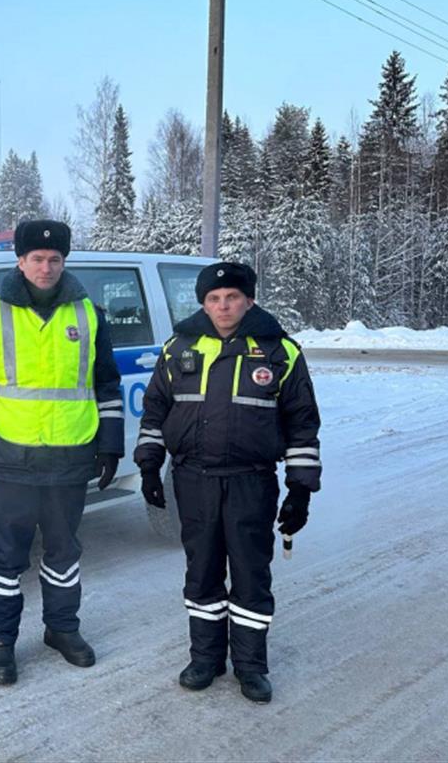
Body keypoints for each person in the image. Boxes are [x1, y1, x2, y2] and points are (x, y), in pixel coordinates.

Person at [133, 262, 321, 704]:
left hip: (250, 483)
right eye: (214, 299)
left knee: (251, 575)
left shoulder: (280, 353)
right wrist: (147, 465)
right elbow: (155, 413)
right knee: (201, 572)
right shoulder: (177, 348)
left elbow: (302, 425)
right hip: (192, 480)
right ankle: (206, 658)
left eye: (232, 297)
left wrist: (300, 489)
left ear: (249, 300)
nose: (223, 306)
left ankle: (251, 667)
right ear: (203, 303)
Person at [0, 219, 124, 686]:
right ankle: (1, 644)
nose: (46, 267)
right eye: (37, 259)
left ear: (64, 261)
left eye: (55, 259)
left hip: (70, 459)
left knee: (65, 553)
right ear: (20, 261)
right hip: (11, 459)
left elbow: (107, 383)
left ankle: (62, 630)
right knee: (6, 560)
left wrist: (110, 444)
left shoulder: (89, 315)